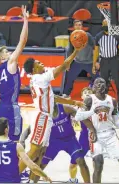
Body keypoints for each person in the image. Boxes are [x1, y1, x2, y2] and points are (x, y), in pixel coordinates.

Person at [20, 46, 86, 183]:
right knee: (34, 151)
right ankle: (12, 176)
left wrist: (74, 102)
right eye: (38, 63)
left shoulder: (39, 78)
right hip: (42, 117)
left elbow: (53, 98)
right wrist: (76, 51)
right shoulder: (40, 78)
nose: (41, 63)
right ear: (34, 69)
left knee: (41, 152)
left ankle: (32, 181)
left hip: (46, 118)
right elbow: (64, 65)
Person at [20, 101, 97, 183]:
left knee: (81, 161)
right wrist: (22, 139)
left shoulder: (66, 108)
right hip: (53, 142)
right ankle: (32, 182)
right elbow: (30, 128)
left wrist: (92, 130)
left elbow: (82, 118)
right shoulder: (43, 114)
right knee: (40, 165)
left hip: (70, 140)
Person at [75, 77, 119, 183]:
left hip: (110, 135)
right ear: (94, 87)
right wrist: (92, 113)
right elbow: (78, 116)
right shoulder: (89, 99)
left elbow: (116, 120)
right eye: (97, 83)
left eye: (103, 82)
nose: (100, 84)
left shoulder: (112, 100)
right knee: (98, 164)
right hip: (96, 135)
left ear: (106, 86)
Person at [0, 6, 28, 141]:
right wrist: (26, 20)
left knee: (4, 139)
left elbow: (8, 84)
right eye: (7, 53)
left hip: (1, 107)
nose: (10, 53)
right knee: (16, 141)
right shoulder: (10, 62)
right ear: (2, 58)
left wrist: (20, 85)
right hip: (11, 108)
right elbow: (23, 41)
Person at [93, 19, 119, 117]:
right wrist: (94, 64)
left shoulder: (117, 36)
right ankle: (105, 107)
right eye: (104, 23)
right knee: (103, 86)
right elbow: (96, 52)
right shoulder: (98, 36)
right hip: (104, 61)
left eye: (107, 23)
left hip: (115, 60)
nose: (105, 25)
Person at [63, 20, 98, 97]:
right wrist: (68, 63)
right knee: (69, 77)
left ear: (82, 26)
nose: (78, 26)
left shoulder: (87, 35)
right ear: (74, 27)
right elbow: (70, 50)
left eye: (80, 25)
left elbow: (96, 48)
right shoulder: (72, 36)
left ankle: (94, 90)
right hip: (77, 62)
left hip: (89, 62)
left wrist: (96, 61)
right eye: (76, 25)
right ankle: (66, 94)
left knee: (98, 78)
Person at [70, 87, 93, 183]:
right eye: (85, 93)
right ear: (82, 97)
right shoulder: (77, 109)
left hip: (98, 137)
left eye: (89, 92)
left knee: (98, 162)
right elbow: (69, 115)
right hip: (84, 137)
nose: (87, 94)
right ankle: (72, 179)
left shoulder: (98, 105)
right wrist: (72, 119)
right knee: (74, 161)